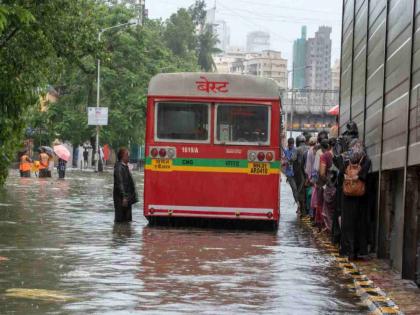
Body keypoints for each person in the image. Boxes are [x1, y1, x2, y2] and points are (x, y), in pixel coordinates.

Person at [113, 148, 138, 222]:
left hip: (127, 197)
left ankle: (125, 232)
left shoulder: (125, 166)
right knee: (120, 219)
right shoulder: (119, 168)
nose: (129, 156)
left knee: (127, 220)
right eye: (127, 155)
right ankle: (120, 232)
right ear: (123, 156)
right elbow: (119, 183)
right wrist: (124, 196)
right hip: (121, 198)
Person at [319, 139, 336, 233]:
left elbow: (321, 173)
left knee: (328, 211)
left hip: (330, 187)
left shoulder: (325, 156)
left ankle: (331, 231)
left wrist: (327, 182)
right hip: (340, 188)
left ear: (329, 146)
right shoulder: (342, 154)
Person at [282, 138, 299, 207]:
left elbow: (293, 159)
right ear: (288, 144)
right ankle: (298, 204)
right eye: (290, 144)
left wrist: (288, 161)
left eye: (291, 144)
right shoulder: (286, 151)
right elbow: (285, 159)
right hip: (289, 174)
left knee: (297, 189)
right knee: (294, 189)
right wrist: (285, 162)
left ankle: (299, 203)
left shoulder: (295, 150)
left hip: (296, 173)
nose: (290, 145)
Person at [294, 134, 308, 216]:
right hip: (308, 172)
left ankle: (302, 209)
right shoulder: (309, 148)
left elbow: (293, 158)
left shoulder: (297, 149)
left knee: (300, 190)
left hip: (300, 172)